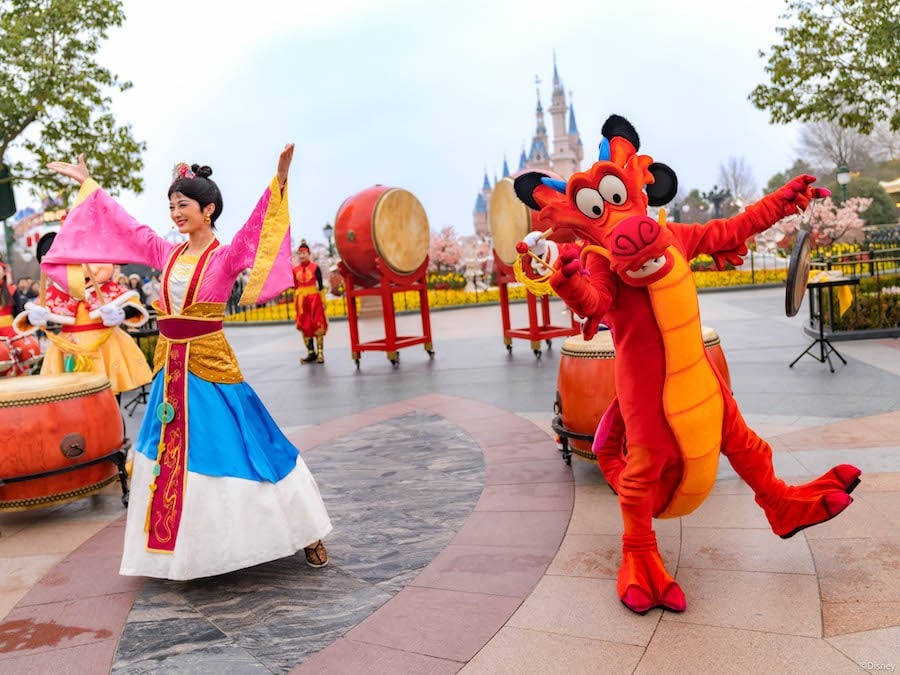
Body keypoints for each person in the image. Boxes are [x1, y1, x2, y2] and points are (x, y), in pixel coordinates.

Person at [44, 144, 332, 580]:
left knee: (247, 444)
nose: (176, 213)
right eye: (172, 206)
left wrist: (281, 181)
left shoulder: (226, 255)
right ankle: (183, 554)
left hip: (210, 366)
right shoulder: (167, 253)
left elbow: (258, 229)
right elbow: (128, 226)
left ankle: (306, 530)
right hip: (170, 370)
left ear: (209, 209)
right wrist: (89, 185)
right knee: (167, 454)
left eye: (184, 205)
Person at [13, 232, 153, 395]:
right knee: (75, 403)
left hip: (106, 346)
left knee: (110, 401)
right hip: (69, 350)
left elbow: (134, 306)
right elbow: (29, 316)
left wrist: (122, 313)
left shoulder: (108, 288)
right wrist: (33, 317)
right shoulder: (57, 292)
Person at [292, 239, 328, 364]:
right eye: (300, 254)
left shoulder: (315, 268)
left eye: (304, 253)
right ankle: (311, 352)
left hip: (314, 299)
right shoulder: (294, 270)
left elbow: (321, 285)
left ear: (309, 254)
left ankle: (320, 353)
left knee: (317, 323)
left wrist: (323, 300)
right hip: (301, 301)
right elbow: (295, 286)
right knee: (304, 324)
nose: (302, 256)